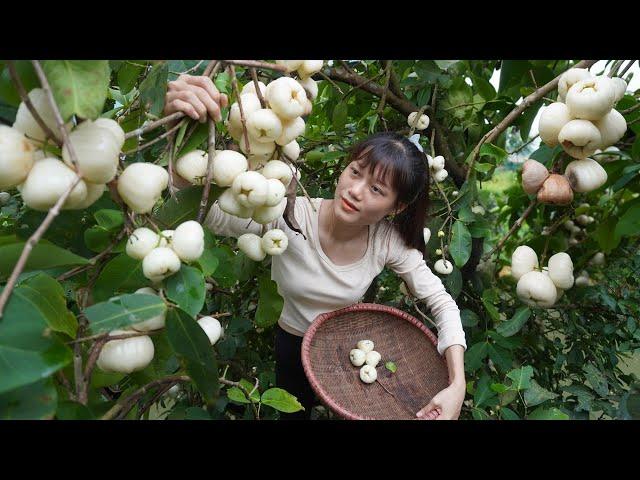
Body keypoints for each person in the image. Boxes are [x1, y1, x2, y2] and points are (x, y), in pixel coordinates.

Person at [163, 74, 467, 420]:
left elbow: (443, 304)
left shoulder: (387, 242)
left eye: (377, 190)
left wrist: (457, 384)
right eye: (355, 172)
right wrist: (182, 134)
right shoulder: (290, 213)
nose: (355, 190)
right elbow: (209, 215)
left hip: (343, 351)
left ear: (396, 208)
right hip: (290, 343)